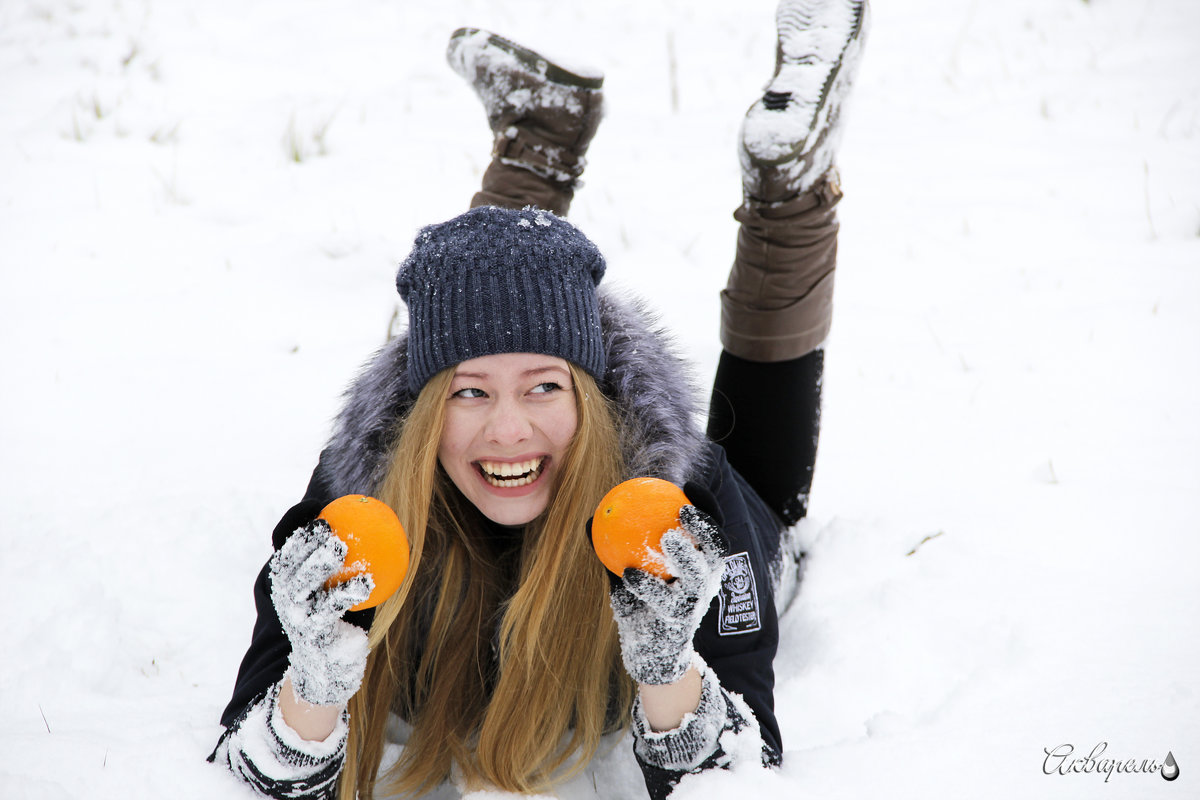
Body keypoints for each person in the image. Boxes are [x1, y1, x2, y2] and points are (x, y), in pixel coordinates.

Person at [209, 1, 868, 798]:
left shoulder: (690, 514)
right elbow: (244, 762)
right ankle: (538, 139)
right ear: (422, 414)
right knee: (486, 301)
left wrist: (666, 668)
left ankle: (787, 188)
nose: (508, 429)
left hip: (736, 508)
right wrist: (311, 684)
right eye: (468, 393)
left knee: (763, 463)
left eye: (546, 387)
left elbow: (741, 769)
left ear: (588, 398)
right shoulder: (357, 498)